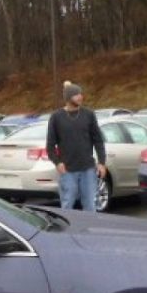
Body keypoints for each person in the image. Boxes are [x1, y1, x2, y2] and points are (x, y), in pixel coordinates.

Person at [46, 81, 107, 211]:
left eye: (81, 94)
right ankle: (68, 231)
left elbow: (98, 140)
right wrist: (57, 163)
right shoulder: (56, 117)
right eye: (76, 95)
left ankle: (88, 230)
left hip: (88, 169)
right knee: (67, 204)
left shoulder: (89, 114)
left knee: (90, 204)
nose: (80, 97)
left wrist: (102, 162)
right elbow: (50, 146)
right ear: (68, 97)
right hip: (67, 170)